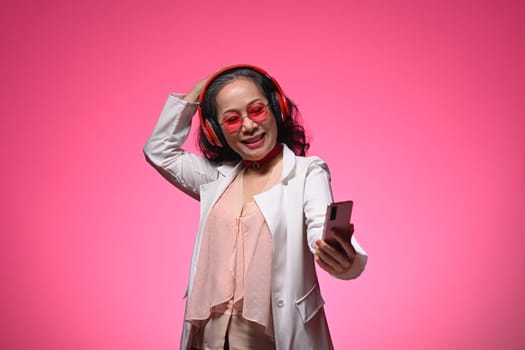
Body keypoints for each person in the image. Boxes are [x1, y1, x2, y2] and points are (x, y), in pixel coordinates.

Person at [143, 65, 367, 350]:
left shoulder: (307, 173)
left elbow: (320, 227)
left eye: (257, 110)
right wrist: (196, 95)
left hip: (272, 338)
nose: (248, 126)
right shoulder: (215, 178)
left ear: (277, 108)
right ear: (216, 132)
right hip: (209, 338)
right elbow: (158, 150)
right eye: (233, 119)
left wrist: (343, 257)